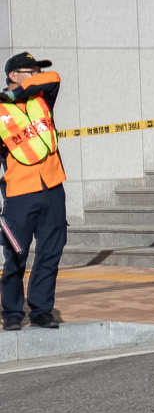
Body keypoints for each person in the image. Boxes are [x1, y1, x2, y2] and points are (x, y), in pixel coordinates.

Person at [1, 52, 67, 332]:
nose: (39, 74)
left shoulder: (42, 98)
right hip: (20, 193)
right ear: (13, 75)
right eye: (32, 70)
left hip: (52, 187)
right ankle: (13, 312)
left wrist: (18, 93)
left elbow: (54, 78)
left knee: (51, 250)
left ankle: (41, 309)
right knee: (16, 254)